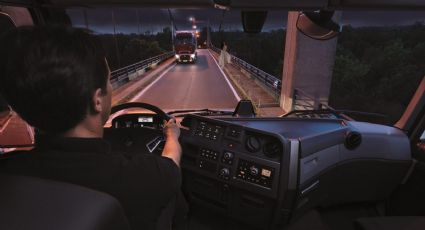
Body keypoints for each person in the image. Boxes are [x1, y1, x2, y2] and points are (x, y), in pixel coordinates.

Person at [0, 26, 187, 230]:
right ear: (97, 100)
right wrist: (172, 134)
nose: (111, 86)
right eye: (108, 80)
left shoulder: (8, 170)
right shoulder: (145, 175)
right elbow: (171, 163)